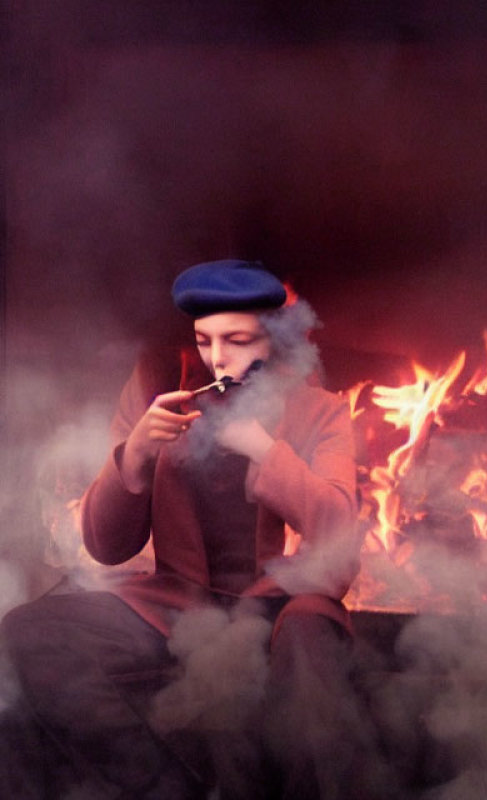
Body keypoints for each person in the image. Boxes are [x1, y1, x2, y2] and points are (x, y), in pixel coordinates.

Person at [0, 260, 364, 798]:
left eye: (237, 340)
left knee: (311, 665)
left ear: (274, 337)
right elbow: (106, 546)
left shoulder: (319, 411)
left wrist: (266, 451)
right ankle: (163, 786)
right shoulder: (158, 390)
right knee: (27, 629)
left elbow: (339, 539)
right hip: (178, 603)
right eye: (204, 340)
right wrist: (136, 454)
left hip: (285, 604)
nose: (217, 357)